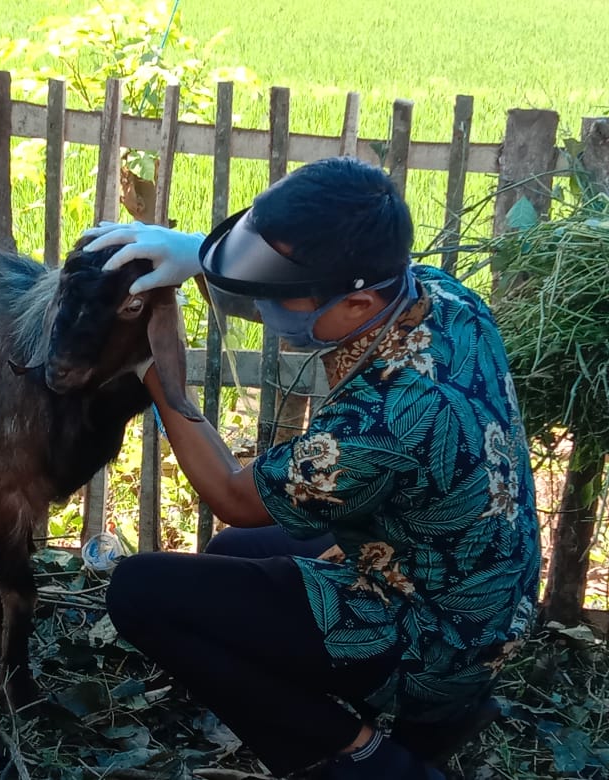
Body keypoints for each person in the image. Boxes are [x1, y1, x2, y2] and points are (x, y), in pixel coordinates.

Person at [79, 157, 541, 780]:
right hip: (477, 579)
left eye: (276, 291)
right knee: (233, 556)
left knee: (141, 592)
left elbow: (234, 495)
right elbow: (307, 295)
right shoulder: (441, 295)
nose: (264, 306)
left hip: (440, 637)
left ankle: (370, 759)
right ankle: (423, 720)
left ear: (357, 303)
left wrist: (156, 374)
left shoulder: (380, 422)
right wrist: (198, 254)